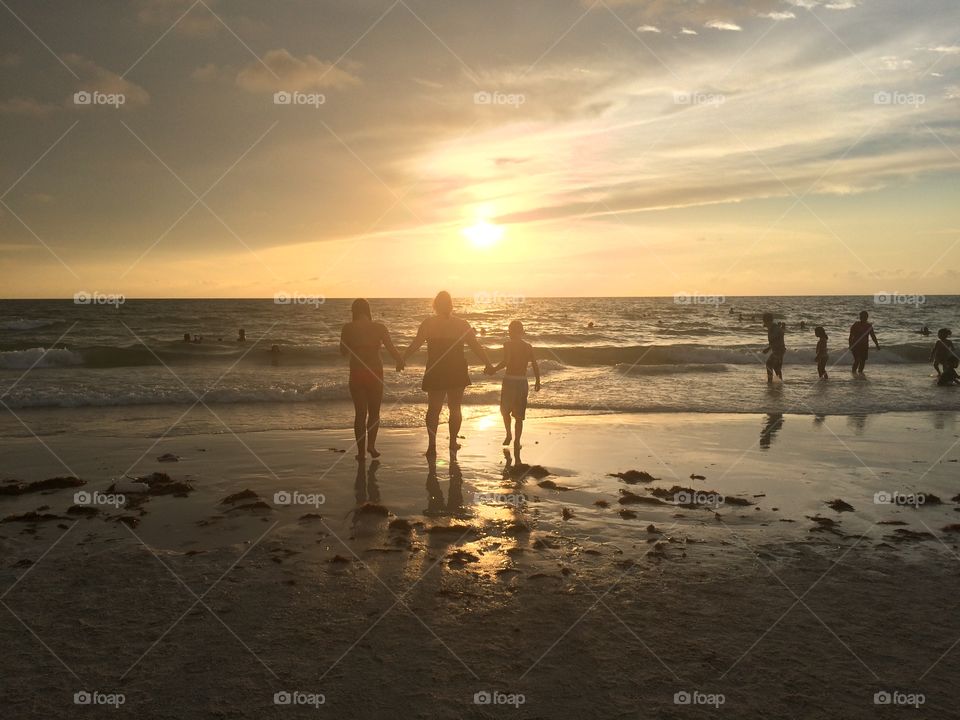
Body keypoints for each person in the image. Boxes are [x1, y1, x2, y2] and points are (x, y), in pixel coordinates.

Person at [401, 291, 494, 457]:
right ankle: (452, 442)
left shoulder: (428, 323)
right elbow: (475, 346)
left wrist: (402, 359)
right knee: (455, 407)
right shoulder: (462, 324)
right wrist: (488, 363)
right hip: (456, 369)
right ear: (451, 305)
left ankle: (432, 446)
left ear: (435, 305)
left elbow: (415, 344)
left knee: (434, 409)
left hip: (436, 369)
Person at [340, 298, 403, 459]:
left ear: (354, 312)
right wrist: (400, 361)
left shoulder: (347, 328)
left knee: (360, 414)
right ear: (368, 311)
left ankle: (361, 453)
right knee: (374, 413)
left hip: (356, 372)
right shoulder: (380, 327)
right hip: (375, 373)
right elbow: (391, 349)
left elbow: (343, 352)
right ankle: (371, 447)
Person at [489, 320, 541, 455]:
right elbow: (534, 364)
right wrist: (537, 380)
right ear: (521, 332)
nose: (509, 332)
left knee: (504, 411)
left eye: (510, 330)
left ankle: (509, 435)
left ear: (511, 331)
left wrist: (493, 370)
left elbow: (506, 361)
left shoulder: (508, 344)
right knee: (519, 415)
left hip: (510, 381)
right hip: (522, 382)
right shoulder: (528, 346)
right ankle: (517, 440)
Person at [762, 312, 785, 383]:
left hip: (779, 350)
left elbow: (777, 338)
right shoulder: (772, 327)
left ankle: (770, 382)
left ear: (767, 320)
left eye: (764, 319)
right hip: (779, 349)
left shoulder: (774, 328)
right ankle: (780, 382)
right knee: (776, 367)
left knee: (768, 364)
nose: (763, 321)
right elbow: (780, 334)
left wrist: (768, 348)